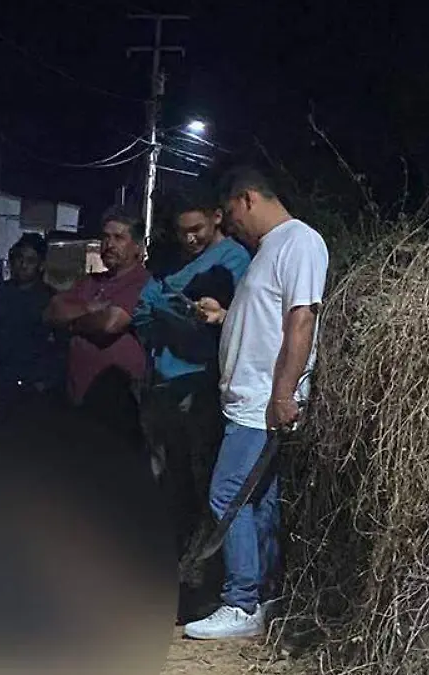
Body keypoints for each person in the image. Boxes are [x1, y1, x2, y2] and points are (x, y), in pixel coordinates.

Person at [183, 167, 328, 640]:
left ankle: (240, 602)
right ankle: (264, 596)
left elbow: (302, 320)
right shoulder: (269, 249)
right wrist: (225, 316)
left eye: (230, 214)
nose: (232, 226)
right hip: (249, 400)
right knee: (258, 500)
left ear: (247, 198)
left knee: (227, 495)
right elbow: (269, 318)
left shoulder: (299, 241)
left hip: (262, 403)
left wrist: (284, 393)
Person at [132, 191, 251, 620]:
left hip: (201, 390)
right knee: (169, 487)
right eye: (182, 232)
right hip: (163, 388)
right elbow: (143, 312)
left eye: (196, 230)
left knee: (208, 489)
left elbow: (232, 319)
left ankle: (211, 585)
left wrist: (176, 313)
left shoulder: (234, 259)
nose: (190, 239)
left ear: (217, 217)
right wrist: (173, 314)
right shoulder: (170, 263)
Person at [44, 207, 150, 438]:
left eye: (119, 238)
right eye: (106, 237)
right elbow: (52, 311)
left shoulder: (141, 282)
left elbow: (109, 324)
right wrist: (89, 308)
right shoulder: (90, 281)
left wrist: (71, 322)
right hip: (78, 399)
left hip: (118, 403)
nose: (109, 244)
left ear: (137, 247)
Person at [0, 233, 59, 422]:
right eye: (19, 258)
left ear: (41, 265)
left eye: (31, 260)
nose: (23, 264)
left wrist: (45, 382)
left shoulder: (51, 298)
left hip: (34, 385)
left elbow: (60, 345)